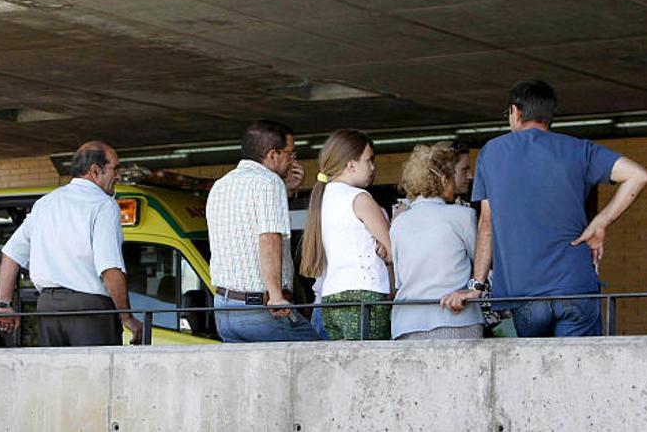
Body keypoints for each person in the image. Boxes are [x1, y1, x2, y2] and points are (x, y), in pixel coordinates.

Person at [442, 79, 647, 337]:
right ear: (549, 116)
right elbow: (638, 175)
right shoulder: (578, 149)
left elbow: (487, 223)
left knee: (539, 374)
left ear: (515, 112)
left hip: (524, 292)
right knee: (577, 370)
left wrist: (476, 286)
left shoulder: (492, 153)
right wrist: (600, 223)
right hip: (575, 286)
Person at [0, 141, 143, 346]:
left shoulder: (45, 204)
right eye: (114, 168)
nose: (118, 176)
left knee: (57, 375)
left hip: (48, 308)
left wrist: (4, 304)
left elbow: (11, 254)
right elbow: (110, 269)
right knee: (97, 375)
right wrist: (127, 317)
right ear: (95, 171)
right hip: (89, 310)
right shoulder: (103, 205)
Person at [207, 120, 319, 343]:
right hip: (261, 308)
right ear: (272, 154)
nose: (293, 160)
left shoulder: (220, 185)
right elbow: (269, 238)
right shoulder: (269, 183)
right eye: (291, 153)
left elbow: (247, 221)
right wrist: (277, 297)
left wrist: (286, 191)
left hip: (224, 308)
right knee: (323, 360)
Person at [300, 130, 392, 340]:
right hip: (365, 293)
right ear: (351, 164)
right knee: (371, 362)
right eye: (369, 160)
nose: (372, 167)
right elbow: (394, 251)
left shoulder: (322, 199)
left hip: (331, 296)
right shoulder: (360, 198)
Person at [391, 142, 484, 340]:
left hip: (405, 324)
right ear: (444, 179)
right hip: (456, 319)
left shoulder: (398, 223)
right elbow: (481, 264)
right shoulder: (463, 216)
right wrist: (474, 289)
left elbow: (399, 279)